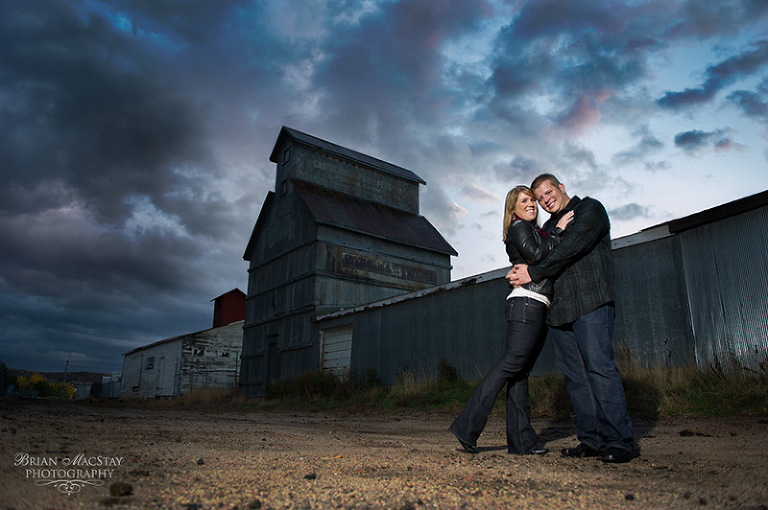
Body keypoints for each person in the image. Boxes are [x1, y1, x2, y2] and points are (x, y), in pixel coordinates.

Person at [507, 173, 637, 463]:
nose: (545, 199)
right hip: (559, 312)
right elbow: (534, 255)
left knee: (599, 370)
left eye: (548, 191)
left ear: (561, 187)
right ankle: (591, 440)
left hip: (591, 303)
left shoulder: (590, 209)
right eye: (539, 198)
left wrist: (534, 271)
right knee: (576, 379)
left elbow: (570, 248)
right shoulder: (550, 228)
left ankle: (618, 440)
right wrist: (517, 269)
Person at [449, 185, 574, 455]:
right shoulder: (519, 227)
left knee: (519, 373)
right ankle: (466, 426)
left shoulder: (532, 230)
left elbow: (538, 257)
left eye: (532, 200)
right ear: (513, 208)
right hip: (526, 303)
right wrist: (560, 229)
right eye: (524, 201)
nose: (531, 204)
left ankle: (521, 442)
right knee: (510, 365)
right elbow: (539, 255)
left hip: (536, 302)